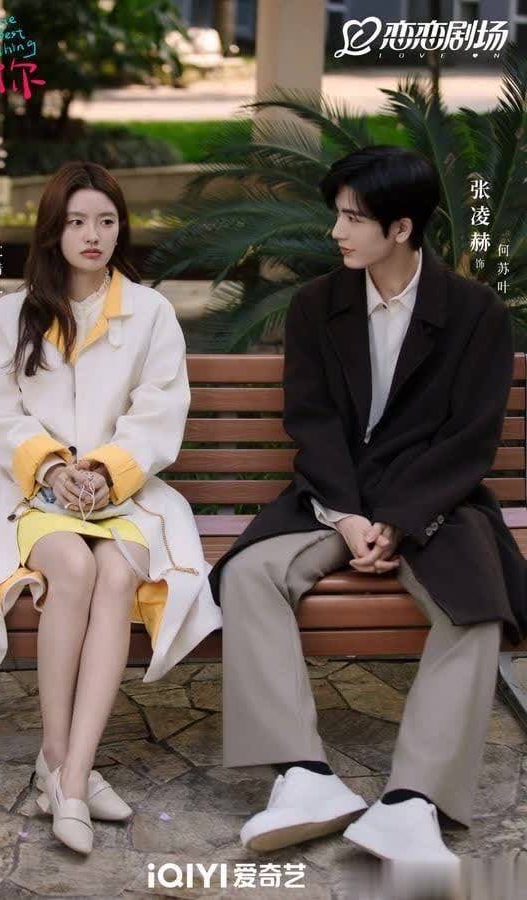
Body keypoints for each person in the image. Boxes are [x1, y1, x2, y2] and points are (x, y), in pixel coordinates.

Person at [209, 146, 527, 866]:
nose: (337, 232)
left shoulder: (475, 313)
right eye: (338, 215)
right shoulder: (316, 306)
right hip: (335, 496)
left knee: (476, 607)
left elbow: (469, 438)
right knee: (250, 574)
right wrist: (349, 516)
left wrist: (402, 519)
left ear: (402, 227)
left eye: (353, 218)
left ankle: (412, 803)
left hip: (433, 500)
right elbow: (312, 420)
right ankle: (304, 777)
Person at [0, 161, 221, 856]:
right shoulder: (9, 315)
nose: (93, 235)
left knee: (116, 576)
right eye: (77, 222)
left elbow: (159, 410)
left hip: (125, 493)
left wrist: (106, 472)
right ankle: (64, 766)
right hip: (32, 492)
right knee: (74, 569)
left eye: (107, 221)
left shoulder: (150, 313)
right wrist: (55, 468)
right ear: (53, 231)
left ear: (121, 228)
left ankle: (69, 773)